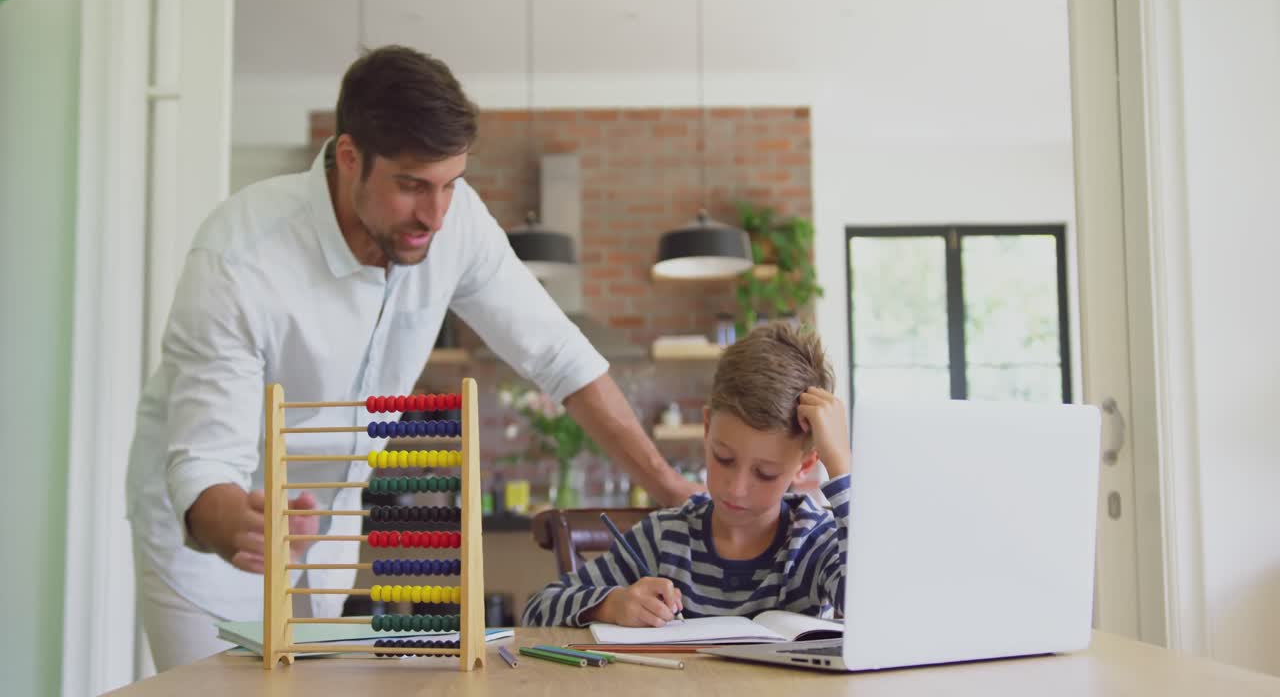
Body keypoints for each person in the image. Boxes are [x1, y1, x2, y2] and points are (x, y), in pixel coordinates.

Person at [125, 45, 698, 670]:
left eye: (450, 184)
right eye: (410, 186)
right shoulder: (239, 258)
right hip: (221, 532)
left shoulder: (460, 225)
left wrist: (670, 489)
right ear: (349, 158)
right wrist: (232, 522)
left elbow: (561, 357)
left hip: (331, 524)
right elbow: (203, 460)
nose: (434, 213)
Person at [522, 322, 851, 627]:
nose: (736, 489)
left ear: (806, 464)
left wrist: (841, 465)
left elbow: (875, 611)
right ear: (707, 428)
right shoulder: (665, 538)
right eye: (723, 458)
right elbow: (537, 610)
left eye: (765, 474)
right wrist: (612, 605)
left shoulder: (812, 541)